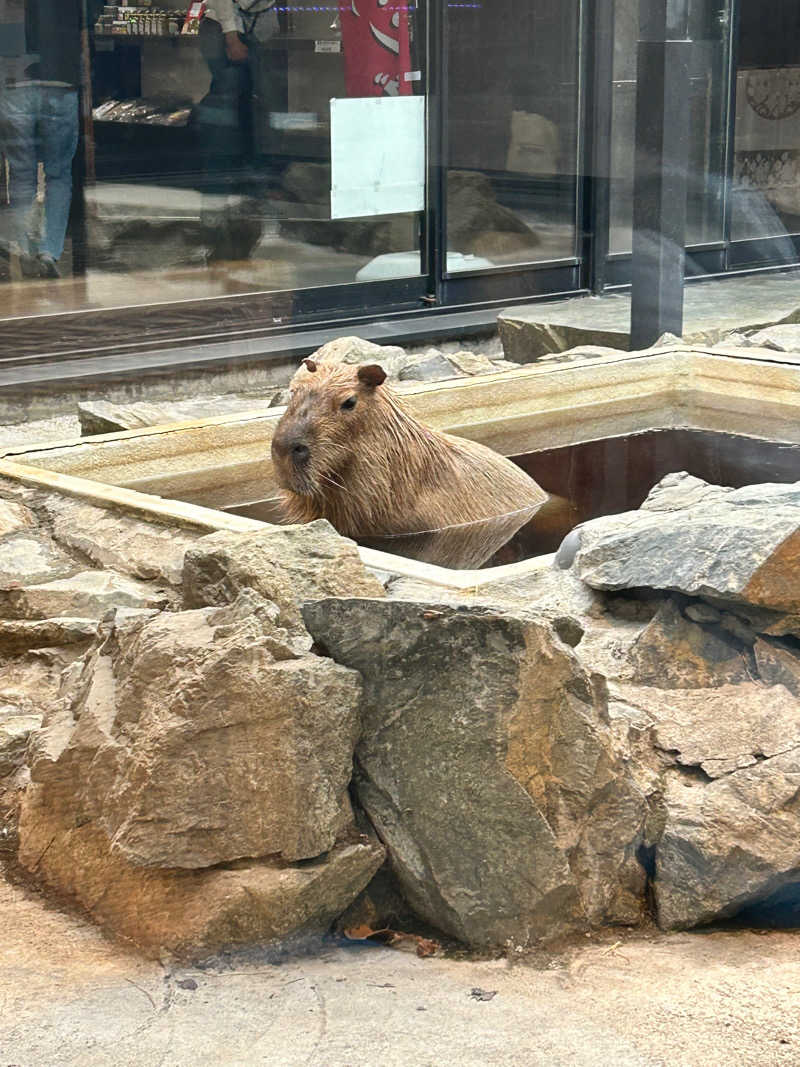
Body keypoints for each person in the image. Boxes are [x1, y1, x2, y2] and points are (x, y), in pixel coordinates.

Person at [0, 0, 81, 279]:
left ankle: (25, 250)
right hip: (61, 75)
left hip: (15, 76)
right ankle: (48, 252)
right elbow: (88, 16)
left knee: (21, 172)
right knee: (58, 173)